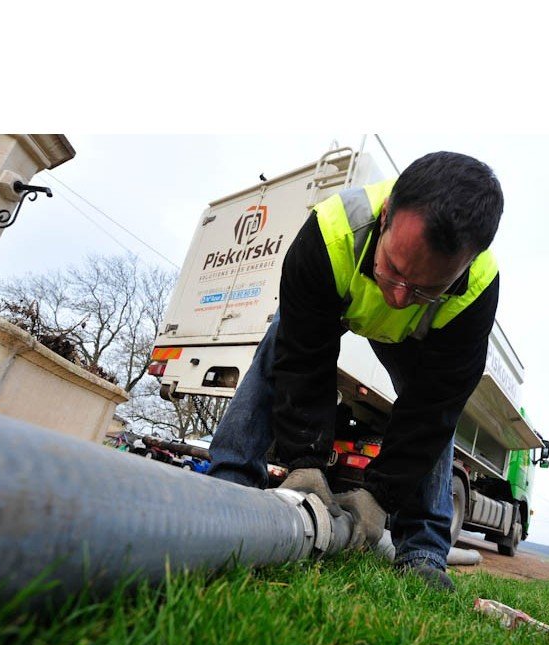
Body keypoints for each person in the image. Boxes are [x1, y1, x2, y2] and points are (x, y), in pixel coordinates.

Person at [208, 151, 503, 591]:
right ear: (385, 217)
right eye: (395, 270)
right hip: (333, 306)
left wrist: (379, 497)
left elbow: (432, 411)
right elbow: (303, 359)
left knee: (436, 415)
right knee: (279, 340)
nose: (399, 298)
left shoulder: (476, 290)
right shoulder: (330, 232)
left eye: (426, 289)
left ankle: (423, 549)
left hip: (415, 343)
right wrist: (304, 461)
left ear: (467, 261)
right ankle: (229, 483)